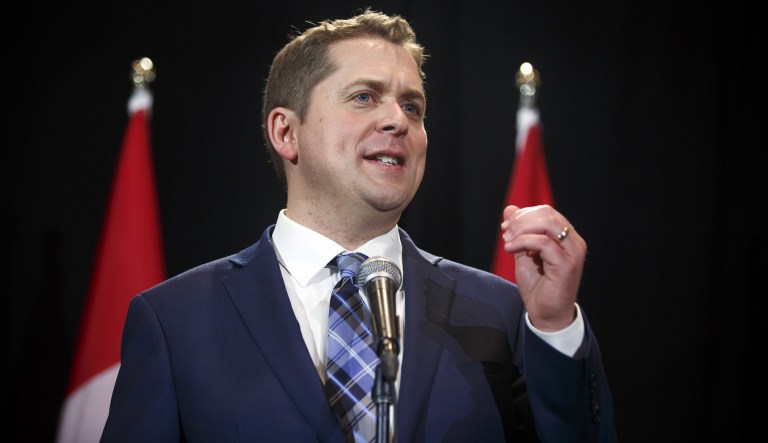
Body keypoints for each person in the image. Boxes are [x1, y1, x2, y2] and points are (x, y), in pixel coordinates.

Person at [100, 8, 616, 443]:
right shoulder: (175, 322)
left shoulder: (501, 312)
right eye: (365, 97)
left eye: (412, 106)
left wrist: (553, 327)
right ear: (286, 131)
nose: (398, 121)